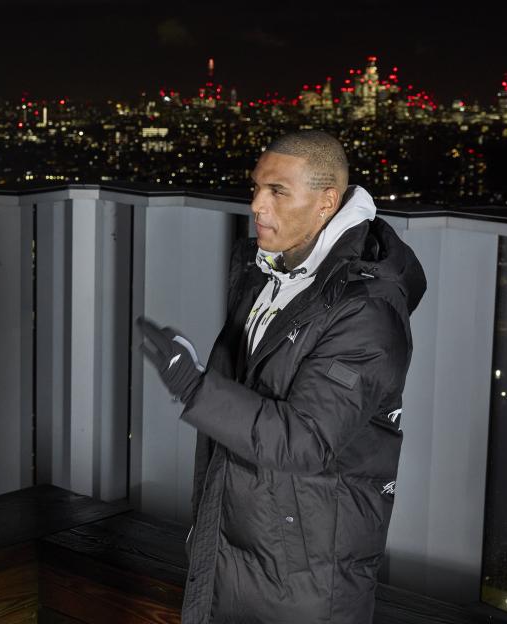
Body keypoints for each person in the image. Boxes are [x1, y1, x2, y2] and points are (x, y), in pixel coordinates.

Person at [138, 129, 426, 624]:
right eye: (255, 188)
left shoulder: (367, 313)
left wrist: (194, 385)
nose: (256, 205)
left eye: (277, 192)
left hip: (306, 579)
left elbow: (305, 440)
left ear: (325, 203)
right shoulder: (269, 275)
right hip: (242, 547)